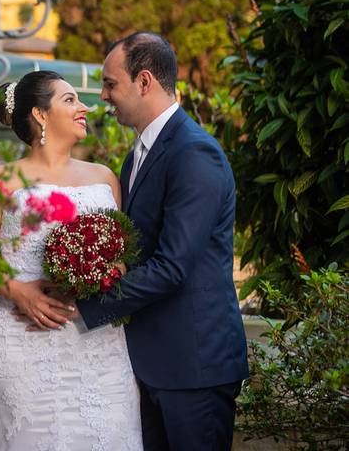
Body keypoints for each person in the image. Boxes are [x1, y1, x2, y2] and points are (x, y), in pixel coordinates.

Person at [41, 32, 249, 450]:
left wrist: (83, 305)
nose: (102, 96)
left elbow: (172, 267)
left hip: (194, 366)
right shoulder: (136, 155)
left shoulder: (194, 153)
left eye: (110, 84)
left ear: (145, 81)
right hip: (147, 362)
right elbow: (137, 250)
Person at [0, 70, 143, 450]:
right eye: (70, 100)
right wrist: (16, 290)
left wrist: (108, 272)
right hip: (23, 342)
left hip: (99, 348)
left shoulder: (105, 178)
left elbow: (123, 257)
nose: (84, 106)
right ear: (40, 114)